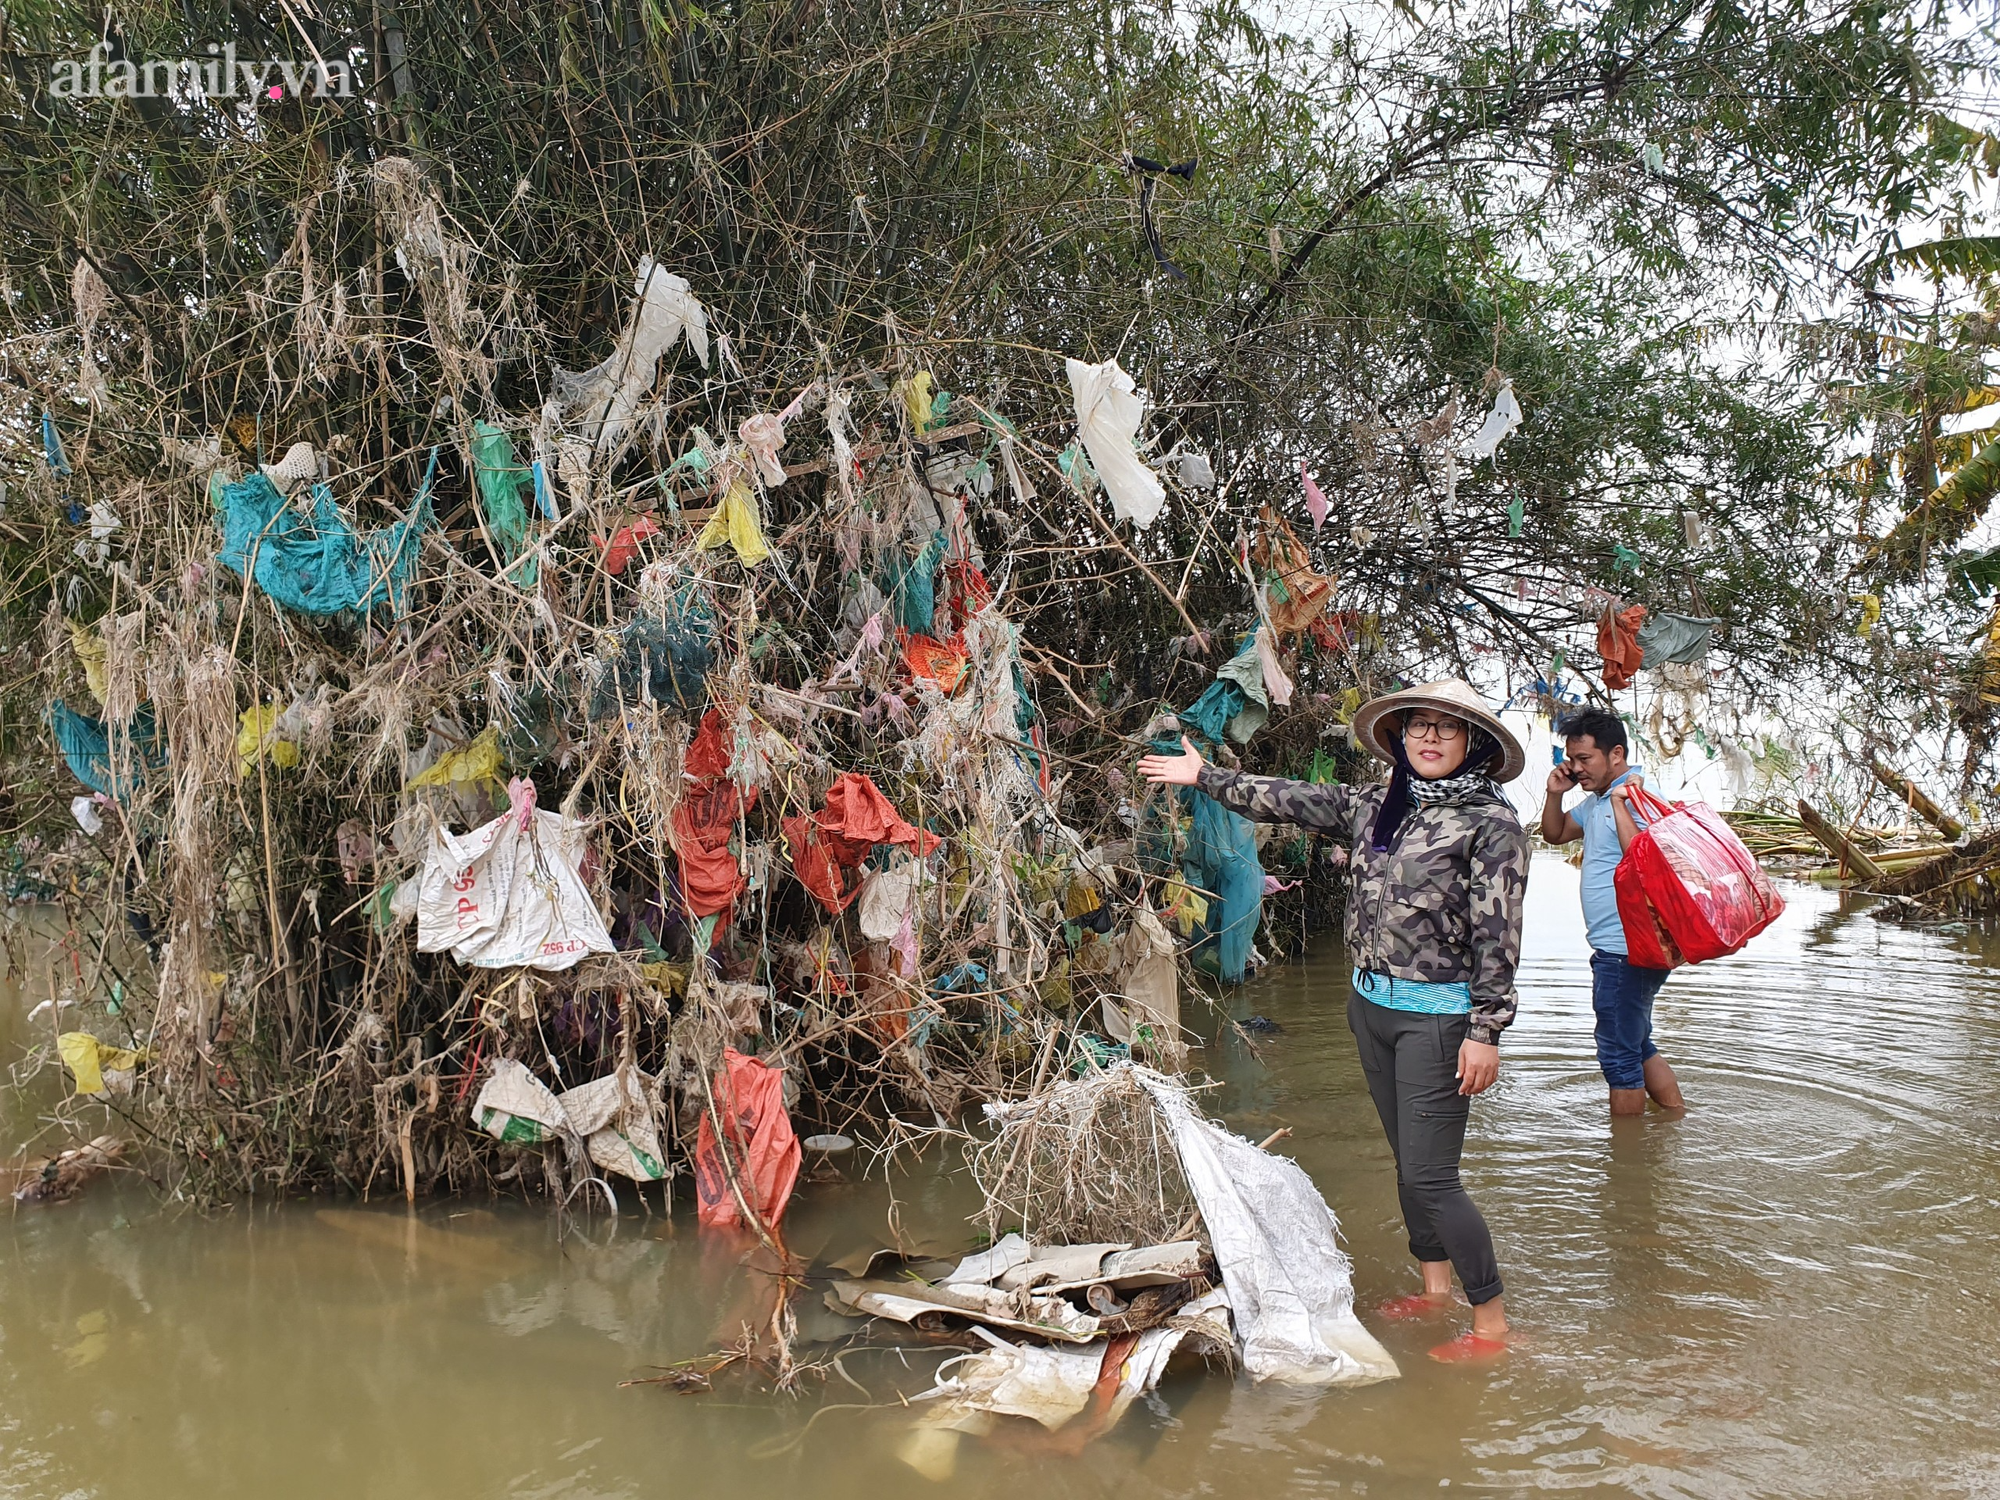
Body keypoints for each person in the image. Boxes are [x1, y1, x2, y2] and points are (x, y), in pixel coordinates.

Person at [1138, 679, 1530, 1362]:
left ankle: (1492, 1323)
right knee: (1408, 1166)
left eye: (1446, 728)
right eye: (1419, 727)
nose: (1430, 738)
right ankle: (1435, 1288)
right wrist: (1207, 776)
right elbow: (1289, 796)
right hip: (1372, 1007)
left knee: (1432, 1177)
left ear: (1474, 744)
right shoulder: (1380, 803)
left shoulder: (1489, 824)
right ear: (1401, 738)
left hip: (1439, 1020)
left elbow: (1500, 935)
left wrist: (1485, 1030)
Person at [1540, 706, 1685, 1117]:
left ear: (1615, 754)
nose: (1577, 769)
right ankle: (1674, 1120)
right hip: (1619, 946)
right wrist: (1555, 792)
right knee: (1637, 1044)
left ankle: (1626, 1163)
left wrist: (1623, 803)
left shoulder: (1639, 794)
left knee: (1618, 1056)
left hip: (1629, 946)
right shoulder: (1599, 800)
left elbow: (1643, 858)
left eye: (1585, 759)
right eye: (1572, 759)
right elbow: (1554, 834)